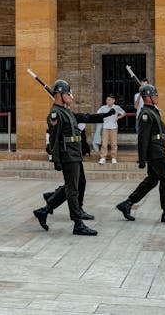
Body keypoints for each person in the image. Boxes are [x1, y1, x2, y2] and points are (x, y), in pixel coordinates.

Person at [33, 79, 115, 235]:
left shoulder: (67, 112)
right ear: (59, 95)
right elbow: (54, 139)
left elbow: (86, 117)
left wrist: (106, 115)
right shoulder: (55, 114)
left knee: (77, 184)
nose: (71, 96)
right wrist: (55, 159)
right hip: (67, 156)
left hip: (75, 154)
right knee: (72, 190)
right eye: (68, 94)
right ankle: (78, 223)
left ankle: (44, 210)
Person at [116, 84, 165, 224]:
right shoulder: (146, 114)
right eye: (153, 95)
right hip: (155, 152)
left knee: (152, 179)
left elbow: (159, 126)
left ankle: (127, 203)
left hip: (158, 148)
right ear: (146, 98)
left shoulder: (153, 111)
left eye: (156, 95)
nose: (156, 97)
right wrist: (142, 159)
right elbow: (143, 138)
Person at [97, 94, 126, 164]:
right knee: (104, 143)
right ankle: (103, 157)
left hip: (114, 127)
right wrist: (102, 118)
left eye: (109, 100)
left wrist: (118, 118)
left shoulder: (116, 107)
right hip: (105, 127)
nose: (108, 101)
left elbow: (124, 113)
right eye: (107, 100)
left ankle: (114, 157)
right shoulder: (103, 108)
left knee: (114, 143)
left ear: (113, 100)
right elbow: (98, 114)